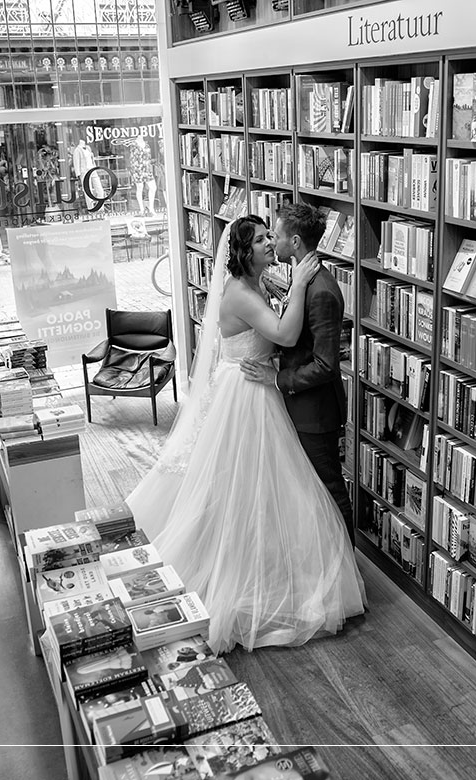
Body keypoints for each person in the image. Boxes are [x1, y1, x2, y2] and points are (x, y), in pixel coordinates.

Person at [126, 214, 366, 654]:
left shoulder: (256, 285)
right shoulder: (242, 292)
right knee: (243, 488)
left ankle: (281, 563)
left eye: (270, 235)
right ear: (242, 252)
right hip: (246, 394)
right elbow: (285, 332)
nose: (269, 243)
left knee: (269, 488)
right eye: (260, 239)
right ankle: (245, 568)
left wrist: (286, 293)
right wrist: (296, 287)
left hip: (260, 387)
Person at [241, 203, 353, 543]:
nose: (272, 241)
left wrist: (275, 379)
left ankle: (348, 567)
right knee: (310, 488)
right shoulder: (305, 278)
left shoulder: (320, 291)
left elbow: (324, 364)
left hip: (316, 411)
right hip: (301, 406)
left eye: (275, 234)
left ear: (296, 241)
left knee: (330, 489)